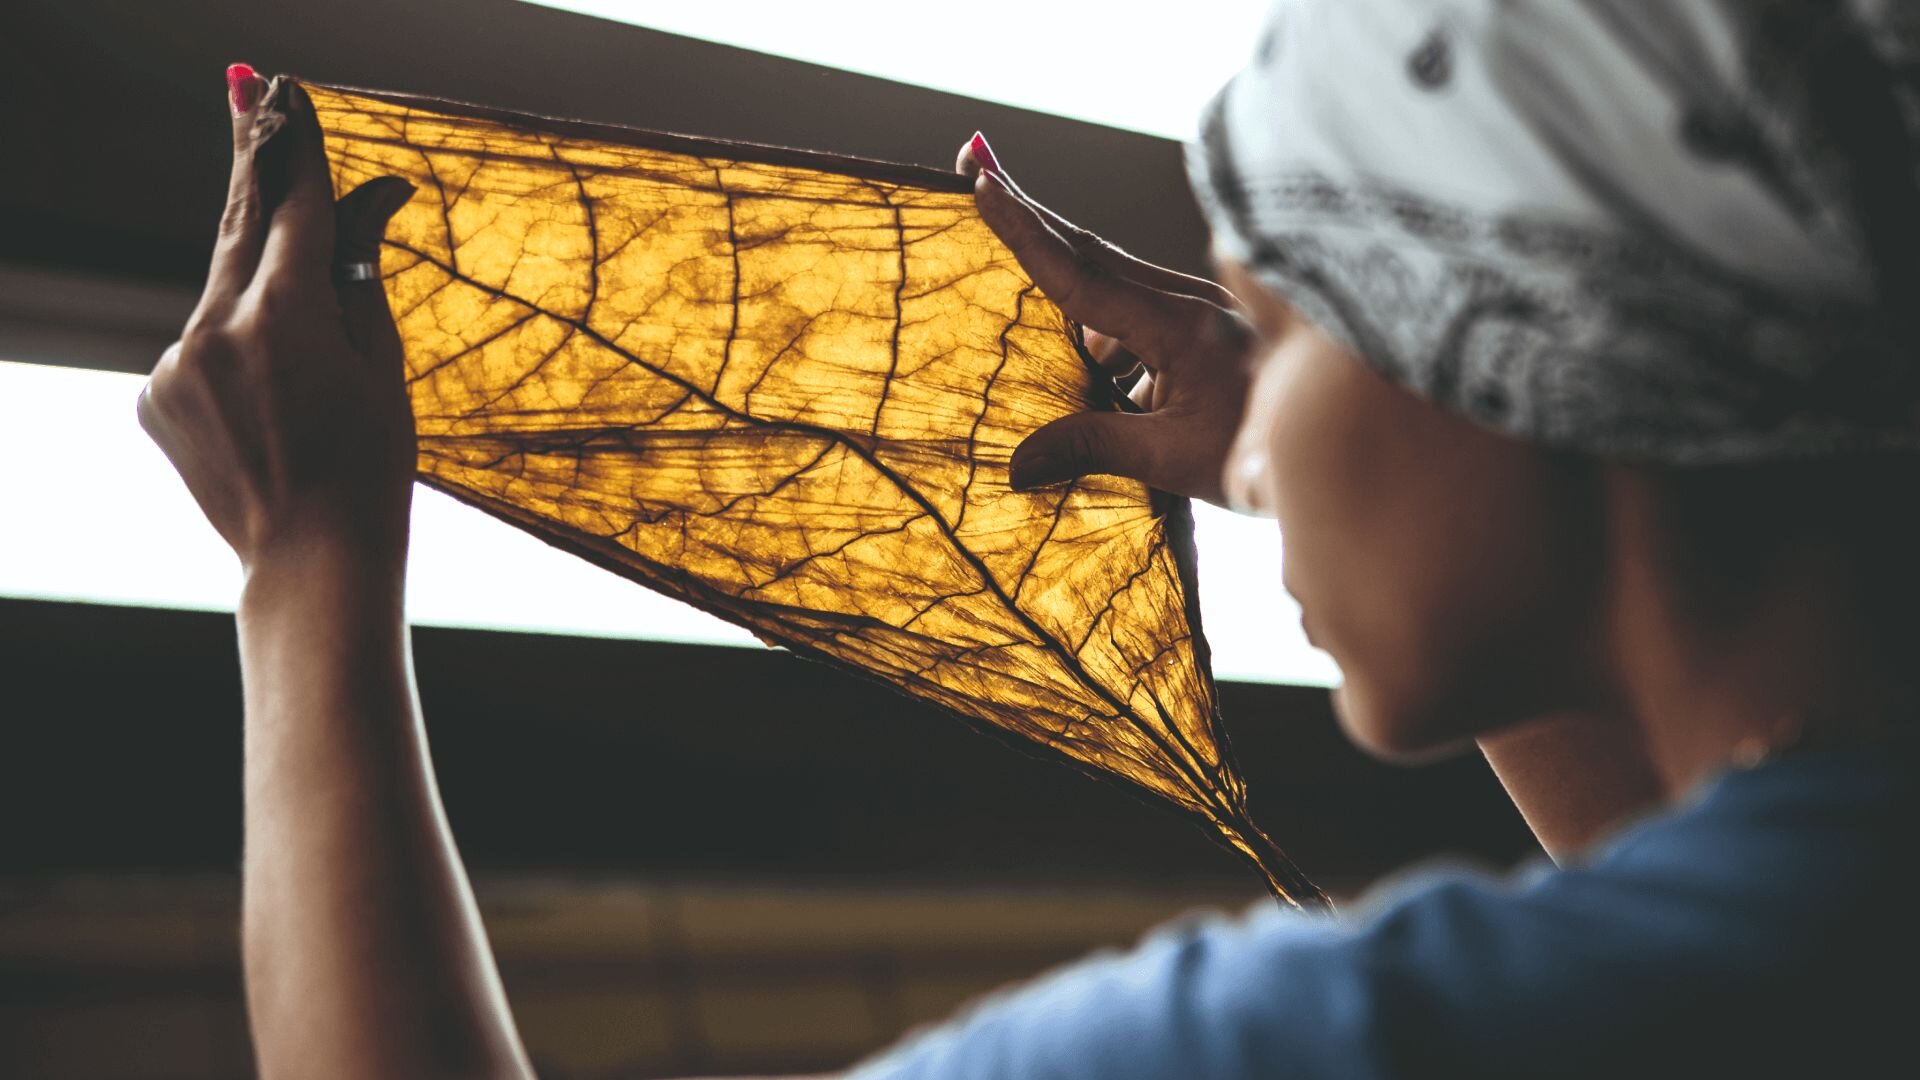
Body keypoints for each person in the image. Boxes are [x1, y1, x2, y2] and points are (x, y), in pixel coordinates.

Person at [138, 3, 1917, 1076]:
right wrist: (1337, 439)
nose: (1248, 436)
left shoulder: (1313, 1049)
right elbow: (1711, 904)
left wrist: (307, 583)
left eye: (1276, 324)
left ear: (1515, 347)